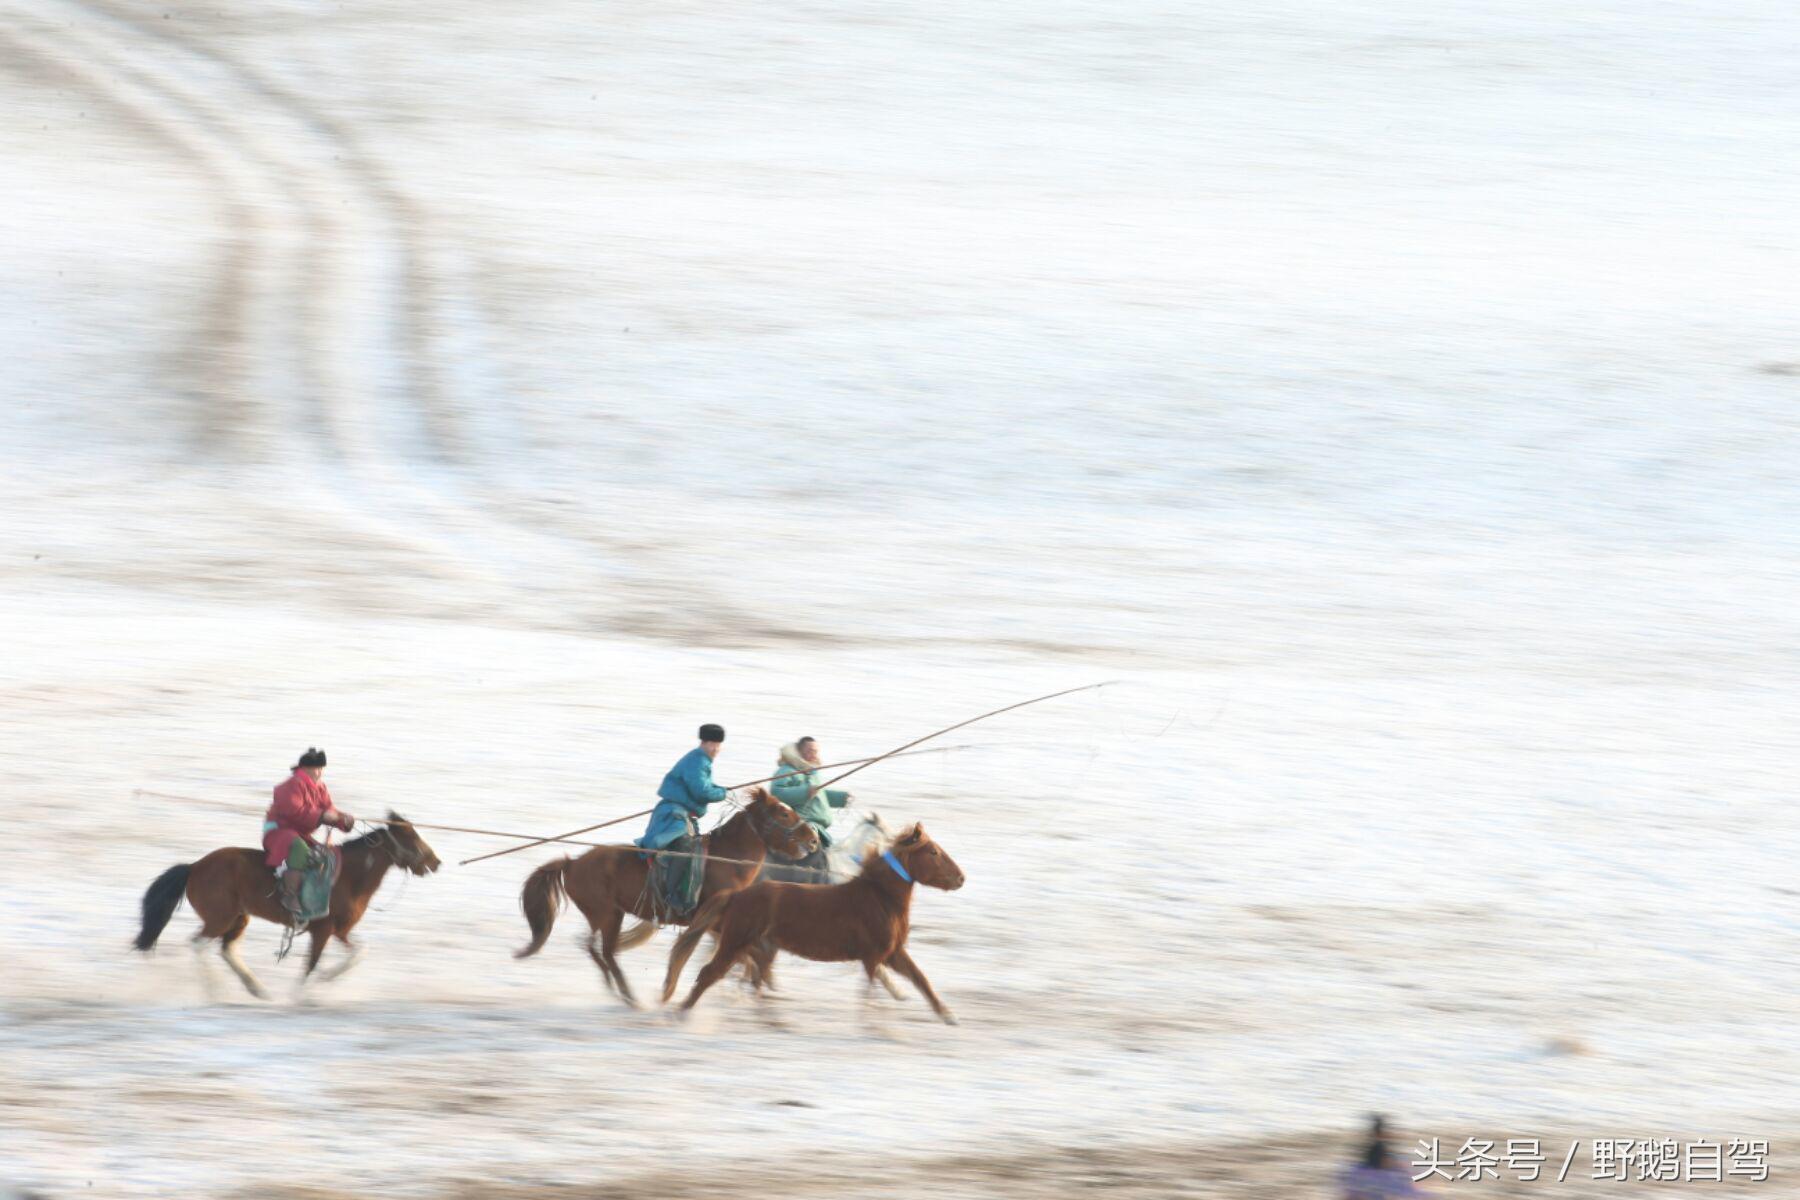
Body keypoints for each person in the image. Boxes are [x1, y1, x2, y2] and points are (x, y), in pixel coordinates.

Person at [637, 725, 732, 912]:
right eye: (713, 744)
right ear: (704, 742)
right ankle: (671, 894)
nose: (716, 749)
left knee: (696, 845)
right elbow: (701, 791)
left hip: (683, 813)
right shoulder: (697, 760)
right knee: (685, 846)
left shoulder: (701, 760)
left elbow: (705, 786)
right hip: (673, 813)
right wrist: (722, 793)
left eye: (719, 745)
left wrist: (720, 789)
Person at [263, 747, 355, 922]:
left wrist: (344, 820)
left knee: (329, 854)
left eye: (321, 769)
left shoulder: (320, 788)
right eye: (316, 769)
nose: (319, 772)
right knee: (298, 847)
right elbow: (294, 811)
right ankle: (289, 895)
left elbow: (330, 810)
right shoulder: (291, 785)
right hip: (279, 831)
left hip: (299, 833)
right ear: (305, 768)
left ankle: (313, 896)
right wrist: (322, 816)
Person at [763, 736, 852, 882]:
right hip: (799, 825)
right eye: (809, 750)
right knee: (812, 845)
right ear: (799, 751)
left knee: (827, 851)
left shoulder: (811, 772)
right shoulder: (787, 770)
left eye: (815, 751)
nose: (813, 754)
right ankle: (808, 880)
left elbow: (820, 794)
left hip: (818, 826)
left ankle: (823, 877)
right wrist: (804, 792)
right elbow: (777, 792)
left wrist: (841, 798)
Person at [1339, 1115, 1428, 1198]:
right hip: (1376, 1180)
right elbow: (1385, 1163)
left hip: (1367, 1177)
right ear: (1381, 1133)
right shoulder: (1379, 1147)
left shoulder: (1370, 1146)